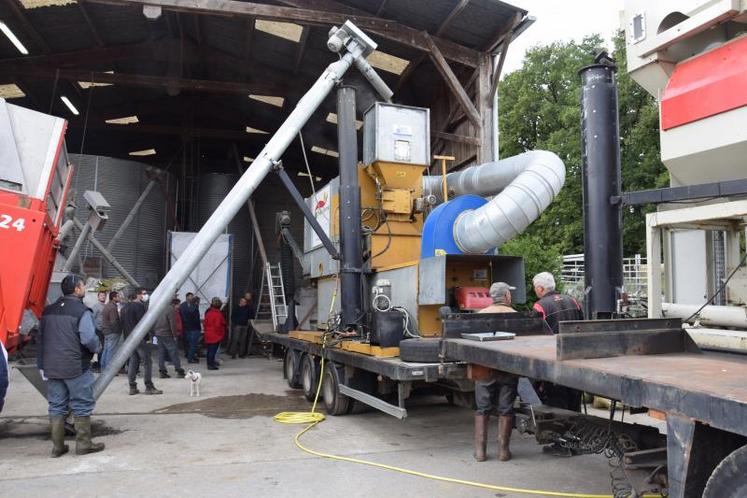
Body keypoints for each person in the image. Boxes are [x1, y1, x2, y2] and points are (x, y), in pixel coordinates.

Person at [36, 275, 105, 457]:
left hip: (52, 366)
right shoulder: (81, 311)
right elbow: (88, 338)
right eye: (83, 286)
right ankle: (83, 444)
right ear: (76, 289)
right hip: (75, 366)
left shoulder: (48, 311)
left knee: (56, 406)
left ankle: (57, 447)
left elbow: (41, 339)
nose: (85, 289)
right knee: (81, 404)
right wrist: (98, 347)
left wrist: (42, 364)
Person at [472, 282, 518, 462]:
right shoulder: (517, 316)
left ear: (492, 297)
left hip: (484, 368)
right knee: (506, 408)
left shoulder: (479, 316)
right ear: (506, 296)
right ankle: (503, 451)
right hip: (508, 368)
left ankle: (480, 452)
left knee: (483, 408)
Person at [532, 271, 584, 414]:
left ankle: (563, 431)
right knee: (574, 400)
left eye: (535, 287)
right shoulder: (573, 301)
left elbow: (537, 337)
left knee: (558, 403)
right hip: (576, 358)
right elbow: (583, 326)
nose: (534, 290)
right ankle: (578, 430)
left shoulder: (539, 306)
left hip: (553, 361)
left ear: (541, 289)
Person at [121, 288, 163, 396]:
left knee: (133, 362)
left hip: (129, 339)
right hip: (139, 339)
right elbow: (145, 324)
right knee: (147, 362)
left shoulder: (124, 308)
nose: (145, 295)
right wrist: (151, 337)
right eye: (144, 294)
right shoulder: (139, 307)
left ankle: (132, 386)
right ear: (138, 295)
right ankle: (149, 387)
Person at [156, 299, 186, 379]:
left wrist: (154, 332)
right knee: (173, 352)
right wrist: (175, 335)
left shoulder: (157, 308)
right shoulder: (170, 309)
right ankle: (179, 370)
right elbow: (172, 323)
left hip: (158, 333)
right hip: (167, 334)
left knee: (161, 353)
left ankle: (162, 371)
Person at [100, 291, 122, 371]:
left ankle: (103, 368)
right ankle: (108, 370)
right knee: (111, 351)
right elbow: (114, 322)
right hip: (112, 332)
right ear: (114, 298)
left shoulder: (107, 306)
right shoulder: (112, 307)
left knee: (106, 350)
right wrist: (117, 330)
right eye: (118, 296)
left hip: (106, 331)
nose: (119, 298)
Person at [203, 297, 226, 371]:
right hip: (215, 335)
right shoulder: (218, 314)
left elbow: (205, 323)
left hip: (208, 333)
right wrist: (220, 334)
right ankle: (210, 365)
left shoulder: (208, 313)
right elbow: (218, 326)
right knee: (213, 351)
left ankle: (209, 363)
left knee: (209, 350)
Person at [180, 292, 201, 364]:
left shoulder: (183, 306)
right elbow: (196, 319)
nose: (191, 298)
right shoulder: (193, 307)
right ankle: (190, 357)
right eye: (190, 296)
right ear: (187, 297)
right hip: (192, 328)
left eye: (192, 297)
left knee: (190, 343)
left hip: (187, 327)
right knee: (192, 344)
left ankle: (190, 355)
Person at [90, 291, 107, 371]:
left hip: (105, 331)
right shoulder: (96, 307)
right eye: (101, 295)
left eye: (104, 295)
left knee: (103, 348)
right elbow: (92, 318)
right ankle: (99, 366)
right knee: (100, 348)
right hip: (98, 330)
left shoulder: (106, 306)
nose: (103, 297)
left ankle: (101, 365)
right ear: (98, 297)